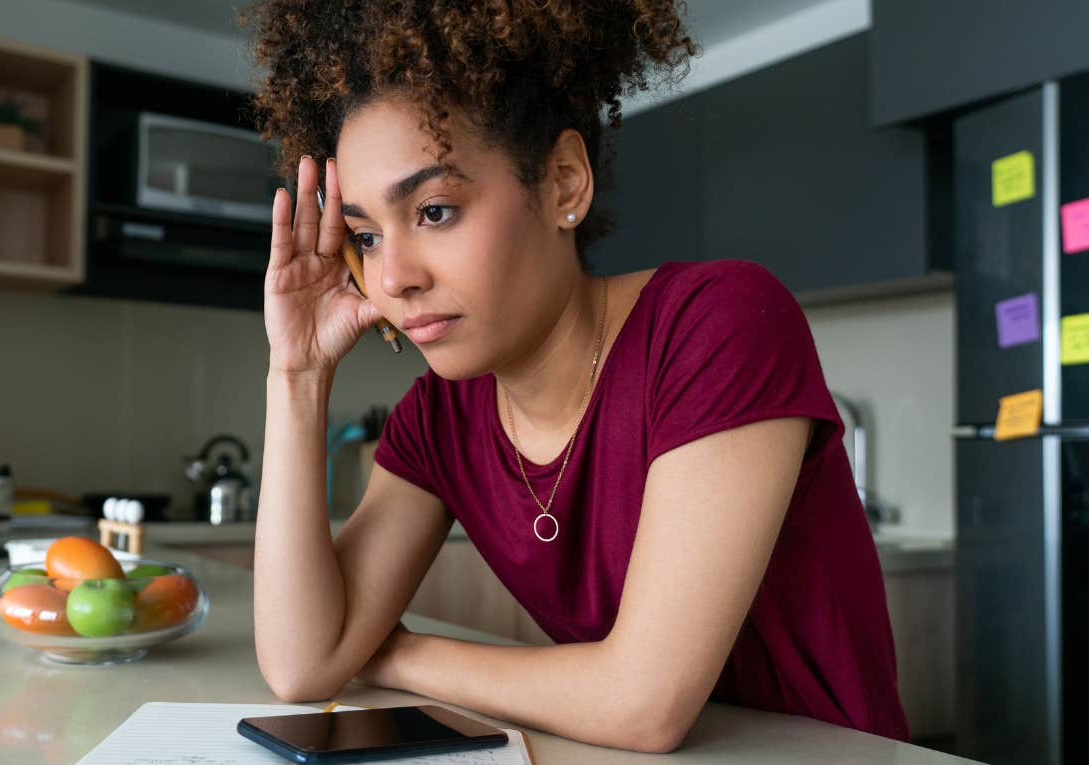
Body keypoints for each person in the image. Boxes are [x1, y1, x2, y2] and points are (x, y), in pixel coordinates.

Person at [240, 0, 909, 753]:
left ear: (562, 183)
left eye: (433, 211)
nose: (392, 277)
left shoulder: (719, 324)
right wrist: (296, 375)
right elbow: (302, 665)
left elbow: (641, 706)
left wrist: (394, 651)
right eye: (365, 234)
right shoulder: (441, 417)